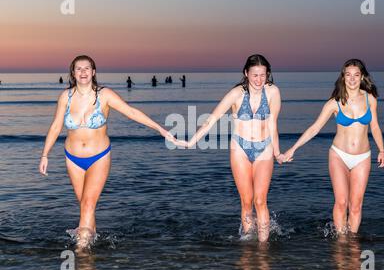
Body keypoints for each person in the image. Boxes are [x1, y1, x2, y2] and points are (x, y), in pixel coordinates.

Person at [39, 55, 179, 250]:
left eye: (87, 68)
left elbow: (131, 112)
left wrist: (161, 129)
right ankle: (93, 247)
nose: (83, 72)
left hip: (99, 157)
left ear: (93, 72)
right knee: (85, 207)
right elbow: (55, 126)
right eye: (78, 69)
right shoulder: (66, 97)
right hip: (72, 159)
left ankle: (81, 253)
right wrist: (45, 154)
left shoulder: (104, 95)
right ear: (73, 73)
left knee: (87, 205)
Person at [279, 59, 384, 234]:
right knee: (342, 202)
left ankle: (351, 240)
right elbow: (315, 128)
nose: (352, 79)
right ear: (343, 77)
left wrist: (381, 150)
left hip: (363, 157)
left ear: (362, 77)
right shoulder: (334, 103)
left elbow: (374, 126)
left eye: (356, 75)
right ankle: (341, 240)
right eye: (348, 75)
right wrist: (292, 149)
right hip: (339, 155)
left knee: (356, 205)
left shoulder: (370, 99)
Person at [183, 54, 281, 243]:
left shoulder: (273, 92)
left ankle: (263, 246)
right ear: (246, 73)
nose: (259, 80)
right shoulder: (236, 93)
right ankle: (247, 241)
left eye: (263, 75)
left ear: (267, 74)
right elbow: (212, 118)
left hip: (264, 148)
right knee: (246, 201)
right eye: (255, 75)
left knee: (260, 200)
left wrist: (277, 152)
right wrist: (192, 140)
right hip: (240, 149)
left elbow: (273, 124)